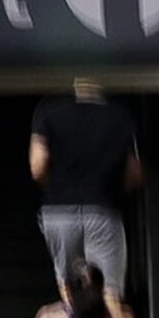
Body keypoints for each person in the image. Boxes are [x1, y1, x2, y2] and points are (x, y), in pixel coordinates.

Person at [26, 80, 138, 301]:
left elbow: (37, 167)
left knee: (69, 288)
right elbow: (134, 174)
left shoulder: (48, 109)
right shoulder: (121, 115)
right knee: (110, 292)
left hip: (58, 212)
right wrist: (112, 189)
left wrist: (57, 188)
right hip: (103, 209)